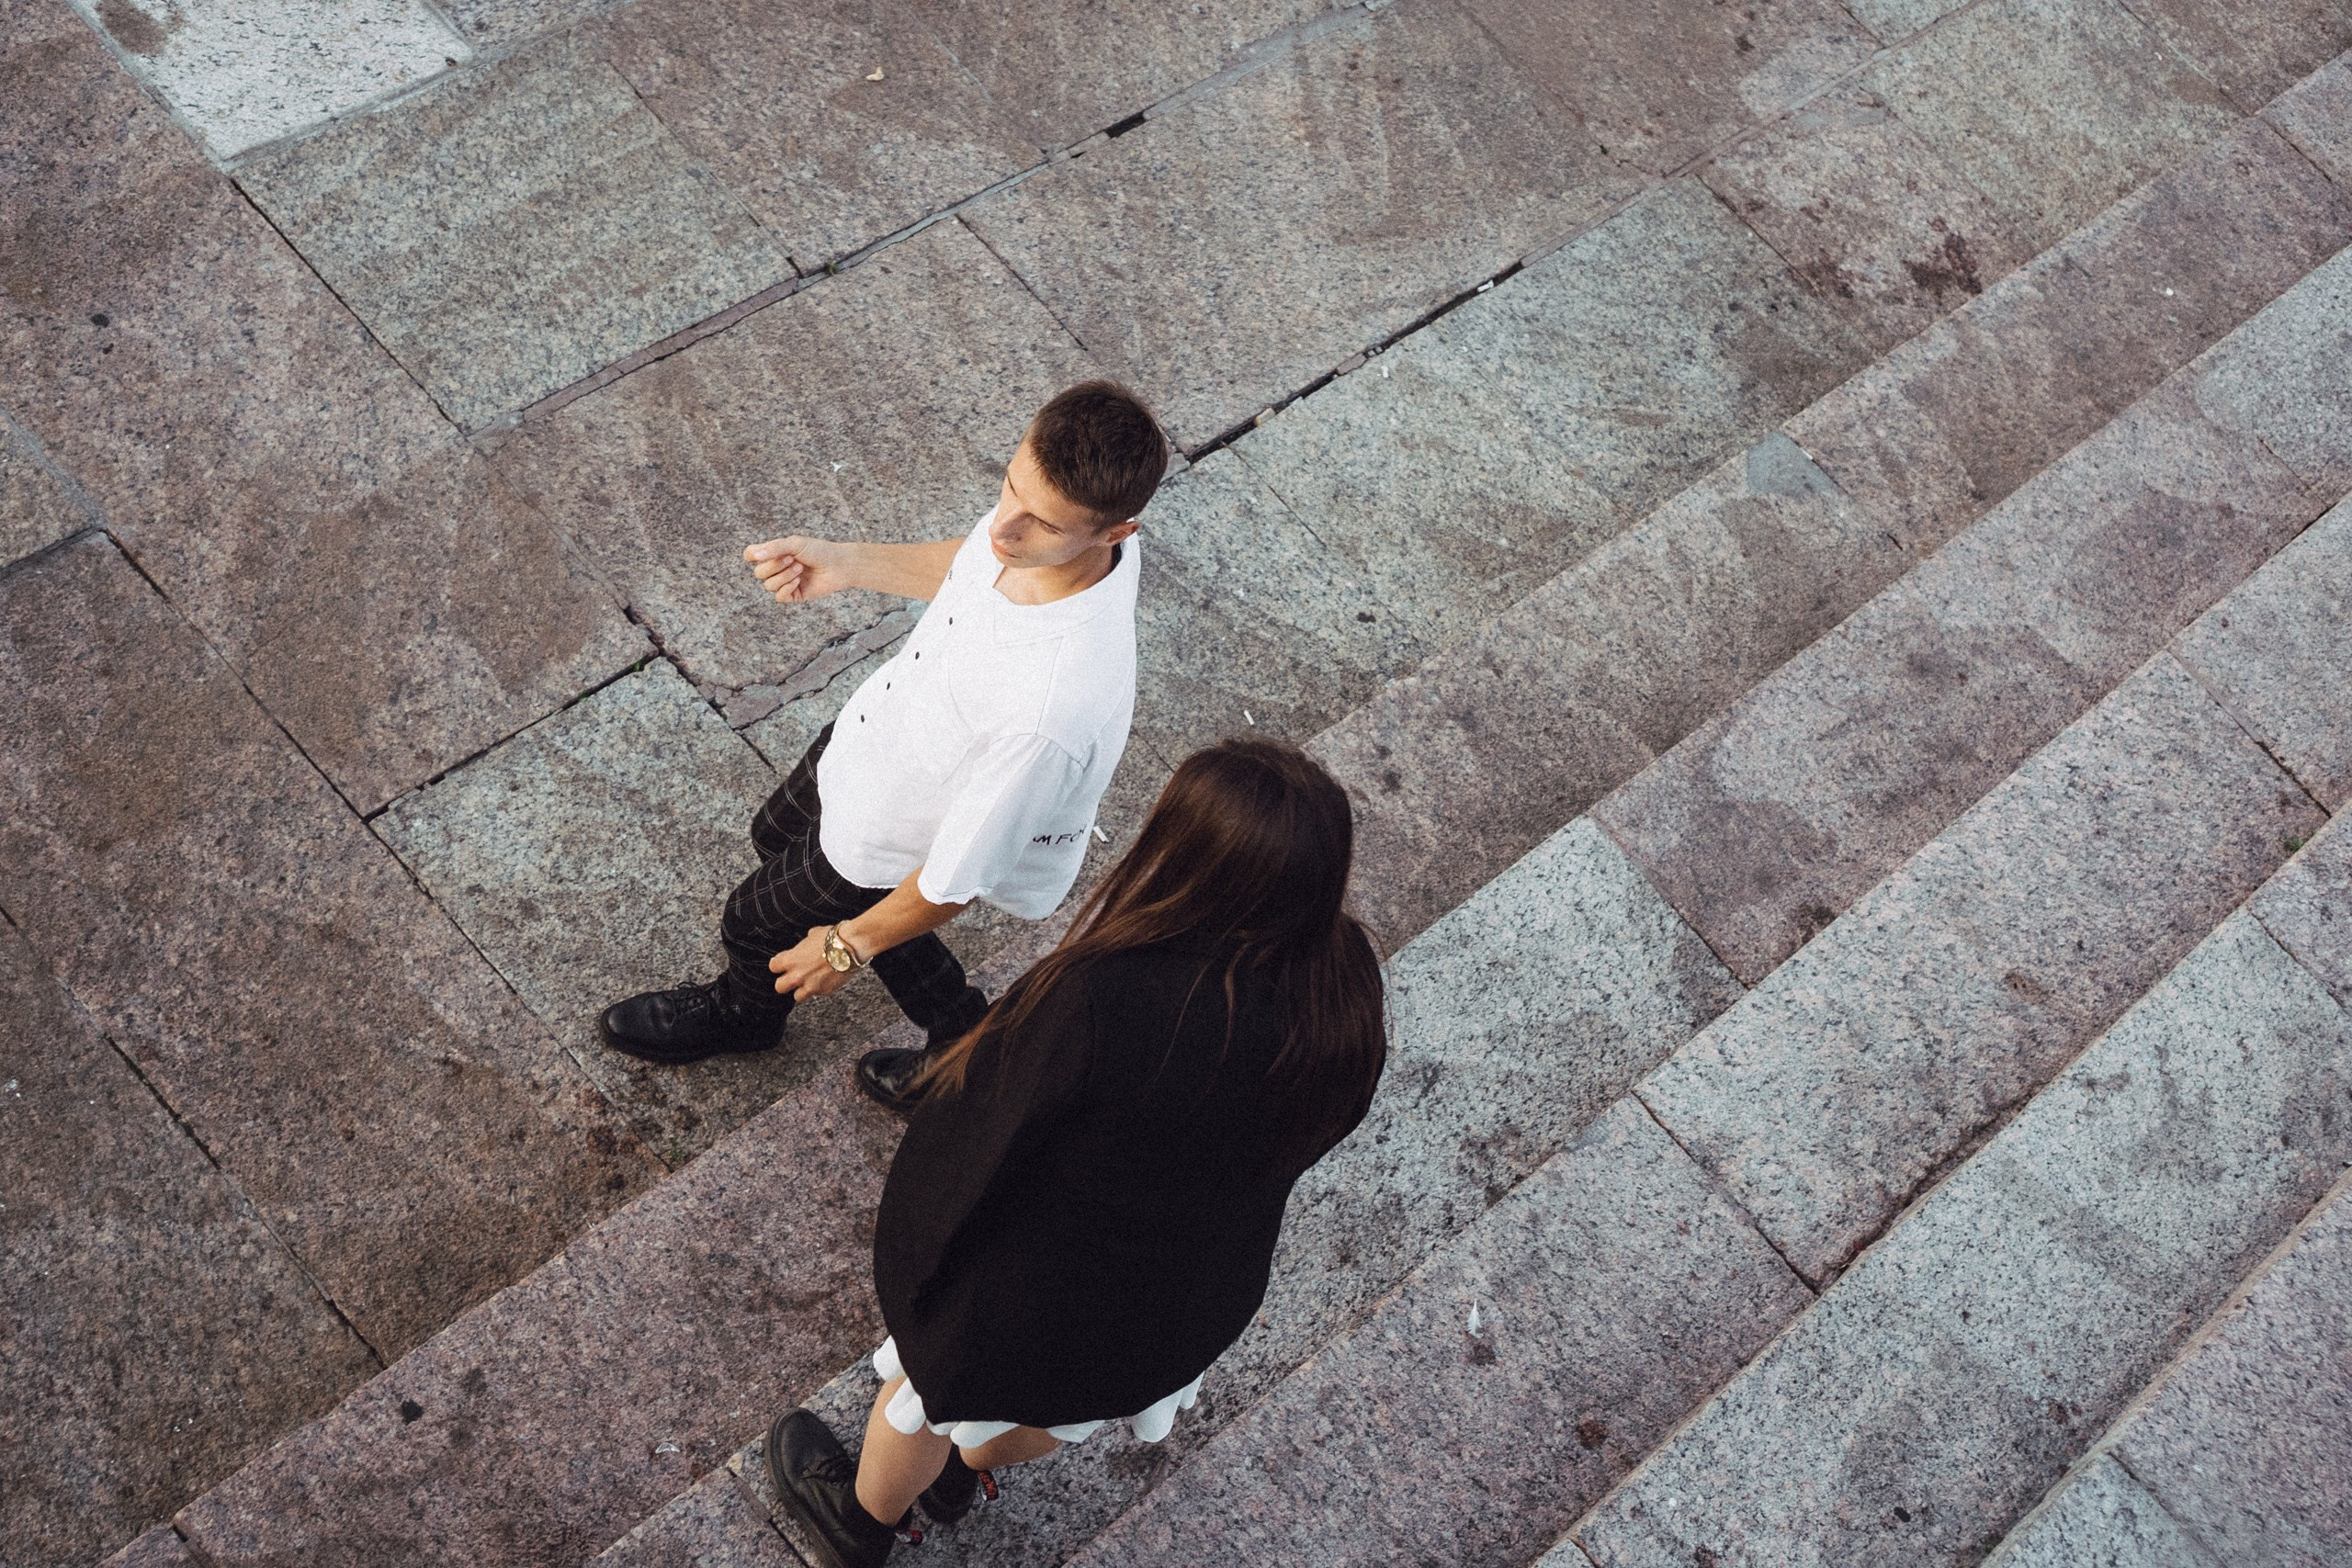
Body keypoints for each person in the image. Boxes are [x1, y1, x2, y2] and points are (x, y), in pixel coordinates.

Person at [763, 738, 1389, 1568]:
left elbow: (986, 1132)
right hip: (1177, 1299)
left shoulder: (1107, 992)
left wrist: (926, 1273)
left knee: (915, 1403)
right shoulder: (1344, 984)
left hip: (1031, 1296)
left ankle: (862, 1522)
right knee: (1051, 1415)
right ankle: (959, 1480)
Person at [597, 383, 1169, 1111]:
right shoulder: (1045, 539)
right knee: (771, 835)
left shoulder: (1049, 712)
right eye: (1009, 488)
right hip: (879, 736)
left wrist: (846, 945)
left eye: (1042, 525)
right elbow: (972, 567)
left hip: (897, 823)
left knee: (752, 922)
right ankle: (964, 1031)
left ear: (1119, 532)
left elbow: (952, 877)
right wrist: (845, 563)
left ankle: (745, 1018)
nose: (1005, 529)